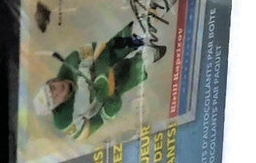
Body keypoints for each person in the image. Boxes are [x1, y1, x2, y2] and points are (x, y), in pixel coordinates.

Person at [33, 21, 165, 141]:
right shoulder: (66, 121)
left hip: (107, 62)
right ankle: (150, 55)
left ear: (52, 81)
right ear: (57, 107)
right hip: (109, 95)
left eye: (52, 88)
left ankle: (147, 21)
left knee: (131, 35)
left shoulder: (71, 62)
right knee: (143, 62)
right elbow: (93, 126)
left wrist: (102, 74)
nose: (57, 91)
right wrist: (110, 106)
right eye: (54, 98)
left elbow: (100, 49)